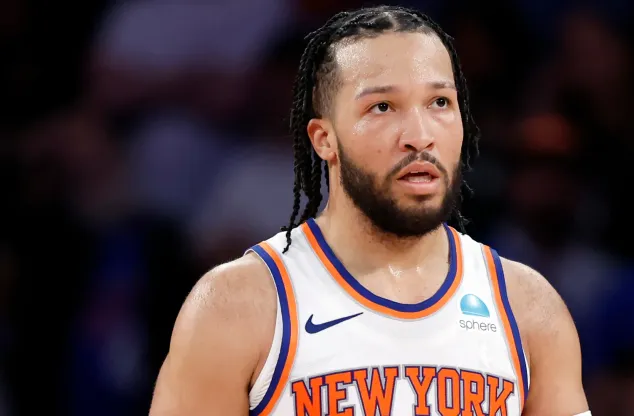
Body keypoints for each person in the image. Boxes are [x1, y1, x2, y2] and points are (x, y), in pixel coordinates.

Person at [149, 5, 590, 415]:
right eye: (382, 107)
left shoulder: (530, 309)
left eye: (440, 103)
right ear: (324, 139)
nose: (420, 135)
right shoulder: (237, 306)